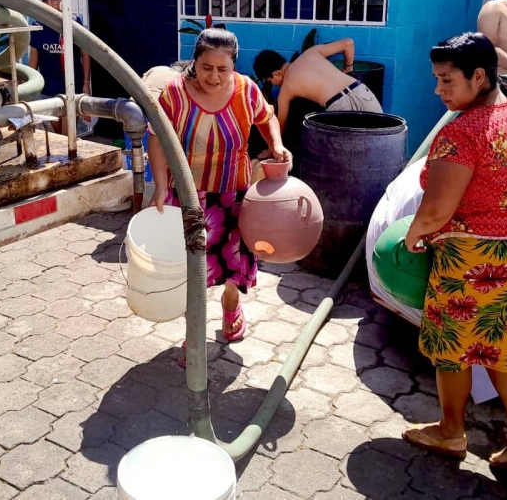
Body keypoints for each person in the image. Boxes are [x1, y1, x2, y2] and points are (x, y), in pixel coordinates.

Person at [401, 32, 507, 478]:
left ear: (479, 76)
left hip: (473, 256)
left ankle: (451, 431)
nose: (438, 90)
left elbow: (436, 210)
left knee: (452, 349)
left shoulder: (460, 132)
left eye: (446, 80)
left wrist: (412, 237)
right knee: (506, 350)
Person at [147, 29, 291, 366]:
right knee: (189, 269)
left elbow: (266, 116)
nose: (213, 76)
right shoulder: (173, 93)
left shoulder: (245, 89)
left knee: (231, 263)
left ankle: (230, 305)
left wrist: (276, 145)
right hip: (187, 194)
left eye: (222, 69)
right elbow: (156, 138)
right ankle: (193, 334)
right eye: (206, 67)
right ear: (194, 63)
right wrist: (159, 185)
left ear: (233, 67)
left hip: (232, 192)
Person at [253, 39, 383, 134]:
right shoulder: (311, 52)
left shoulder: (286, 89)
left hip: (338, 107)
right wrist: (348, 68)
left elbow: (280, 127)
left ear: (275, 74)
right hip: (360, 90)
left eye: (269, 81)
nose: (272, 85)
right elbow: (348, 43)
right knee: (381, 138)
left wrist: (270, 150)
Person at [28, 0, 93, 134]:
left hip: (72, 89)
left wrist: (86, 83)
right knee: (58, 136)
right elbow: (33, 62)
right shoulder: (37, 27)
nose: (59, 3)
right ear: (45, 1)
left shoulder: (73, 22)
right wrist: (30, 91)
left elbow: (85, 53)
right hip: (48, 92)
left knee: (68, 135)